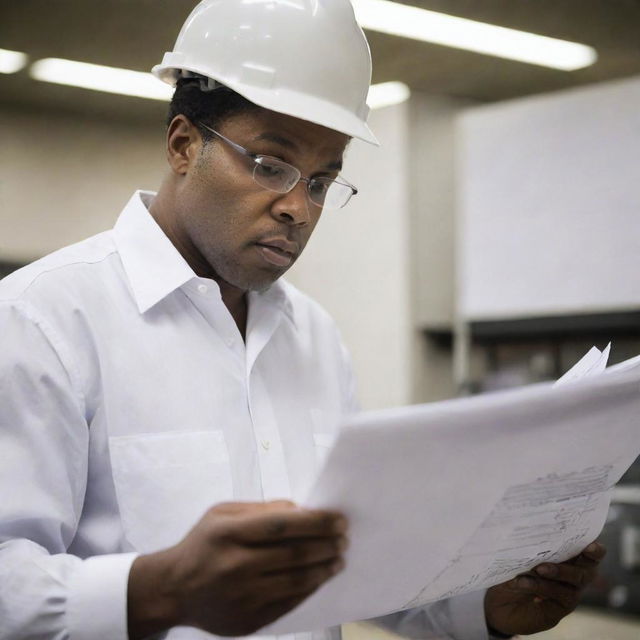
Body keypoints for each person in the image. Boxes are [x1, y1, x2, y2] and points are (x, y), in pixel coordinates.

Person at [0, 1, 605, 639]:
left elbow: (353, 569)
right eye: (270, 164)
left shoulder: (313, 338)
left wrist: (481, 608)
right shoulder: (42, 320)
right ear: (184, 145)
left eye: (321, 181)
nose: (298, 208)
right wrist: (164, 589)